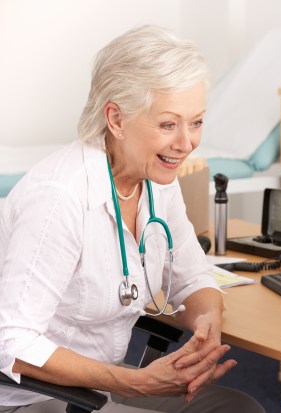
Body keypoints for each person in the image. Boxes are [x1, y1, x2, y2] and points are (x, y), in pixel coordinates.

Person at [0, 25, 265, 413]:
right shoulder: (60, 199)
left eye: (196, 122)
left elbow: (192, 278)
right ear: (116, 119)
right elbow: (13, 341)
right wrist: (136, 382)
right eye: (169, 124)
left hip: (105, 383)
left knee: (238, 408)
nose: (186, 143)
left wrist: (208, 320)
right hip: (39, 397)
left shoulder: (157, 182)